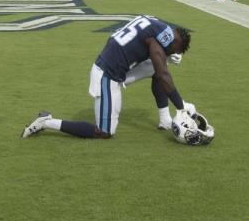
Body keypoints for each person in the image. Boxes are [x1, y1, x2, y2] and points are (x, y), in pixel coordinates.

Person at [21, 15, 193, 139]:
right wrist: (181, 107)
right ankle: (46, 122)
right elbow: (163, 73)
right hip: (107, 75)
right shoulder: (160, 41)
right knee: (104, 132)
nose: (171, 52)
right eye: (174, 50)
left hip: (117, 67)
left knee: (158, 68)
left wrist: (165, 57)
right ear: (174, 42)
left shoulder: (155, 23)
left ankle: (165, 120)